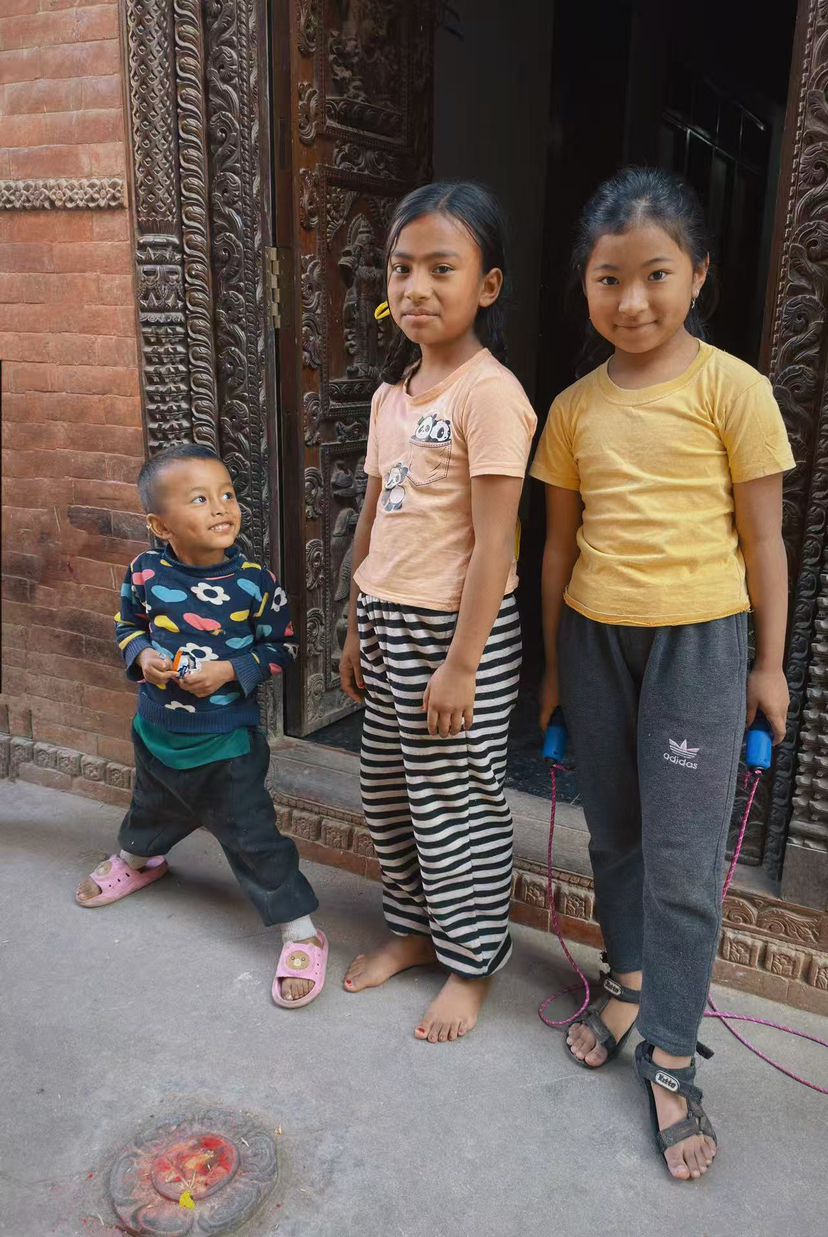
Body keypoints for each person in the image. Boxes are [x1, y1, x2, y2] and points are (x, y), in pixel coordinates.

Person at [532, 167, 794, 1179]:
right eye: (609, 279)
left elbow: (764, 541)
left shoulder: (735, 388)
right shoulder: (572, 408)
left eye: (655, 275)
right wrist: (554, 668)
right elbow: (557, 548)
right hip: (596, 642)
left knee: (683, 862)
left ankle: (674, 1055)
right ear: (585, 285)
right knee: (617, 836)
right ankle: (629, 982)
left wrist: (769, 666)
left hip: (699, 647)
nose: (632, 300)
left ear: (698, 275)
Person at [339, 182, 537, 1042]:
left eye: (441, 269)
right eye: (402, 268)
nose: (416, 287)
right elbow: (372, 521)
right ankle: (416, 930)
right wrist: (354, 624)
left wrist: (462, 663)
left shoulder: (489, 395)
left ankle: (471, 960)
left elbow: (495, 545)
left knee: (456, 800)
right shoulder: (392, 396)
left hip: (456, 635)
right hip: (386, 622)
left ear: (487, 286)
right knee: (389, 790)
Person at [75, 443, 328, 1008]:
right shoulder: (144, 572)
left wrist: (230, 671)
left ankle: (300, 931)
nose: (221, 508)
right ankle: (139, 860)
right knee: (150, 805)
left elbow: (283, 647)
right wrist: (142, 655)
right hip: (155, 728)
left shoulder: (255, 582)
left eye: (227, 494)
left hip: (227, 741)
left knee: (252, 838)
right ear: (159, 525)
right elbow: (127, 625)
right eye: (199, 499)